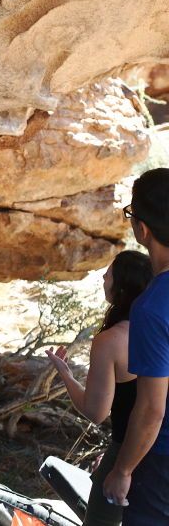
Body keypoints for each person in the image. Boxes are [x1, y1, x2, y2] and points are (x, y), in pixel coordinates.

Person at [47, 250, 152, 526]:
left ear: (121, 287)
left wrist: (65, 374)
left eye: (109, 273)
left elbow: (96, 412)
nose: (104, 277)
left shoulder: (111, 341)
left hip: (128, 451)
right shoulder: (158, 327)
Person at [102, 168, 169, 525]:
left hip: (160, 464)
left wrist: (123, 469)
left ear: (142, 229)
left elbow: (151, 411)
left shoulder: (153, 306)